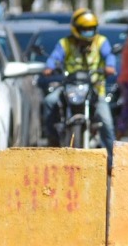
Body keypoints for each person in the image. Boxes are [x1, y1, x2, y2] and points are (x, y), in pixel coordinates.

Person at [42, 9, 117, 164]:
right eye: (85, 29)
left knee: (107, 122)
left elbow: (109, 55)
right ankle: (53, 142)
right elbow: (54, 58)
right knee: (49, 102)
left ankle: (112, 162)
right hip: (68, 87)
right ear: (76, 28)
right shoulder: (65, 43)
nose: (89, 32)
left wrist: (110, 66)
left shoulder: (101, 41)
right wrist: (49, 67)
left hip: (95, 88)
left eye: (91, 29)